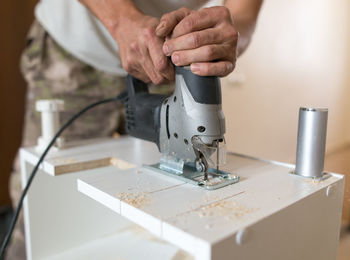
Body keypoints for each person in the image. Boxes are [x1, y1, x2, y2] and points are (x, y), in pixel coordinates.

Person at [0, 0, 263, 252]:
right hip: (74, 53)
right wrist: (121, 21)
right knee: (43, 207)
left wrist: (226, 39)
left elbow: (244, 12)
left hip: (163, 60)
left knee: (159, 208)